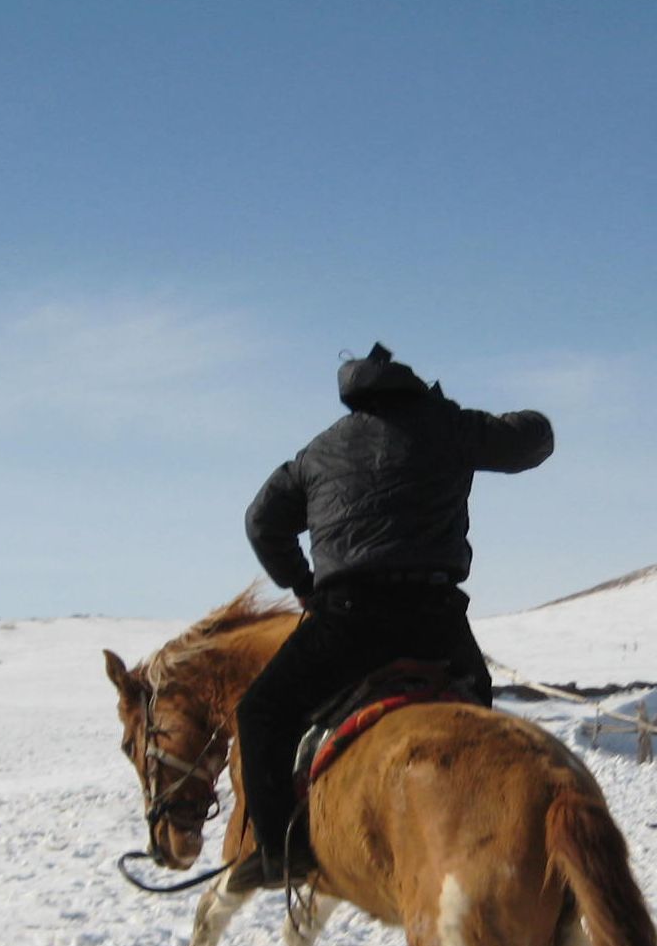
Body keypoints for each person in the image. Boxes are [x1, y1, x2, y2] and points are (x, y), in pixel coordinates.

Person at [230, 342, 553, 891]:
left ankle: (280, 853)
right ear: (409, 385)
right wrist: (469, 416)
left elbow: (262, 521)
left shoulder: (318, 452)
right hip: (436, 620)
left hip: (347, 621)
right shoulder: (447, 425)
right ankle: (499, 829)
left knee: (262, 713)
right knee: (481, 716)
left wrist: (302, 582)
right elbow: (533, 439)